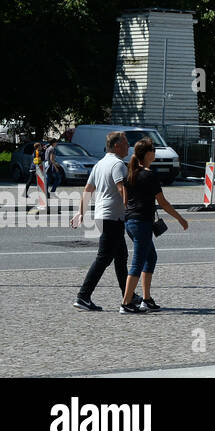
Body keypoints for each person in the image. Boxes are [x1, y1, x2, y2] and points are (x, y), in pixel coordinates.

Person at [119, 137, 189, 313]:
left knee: (150, 258)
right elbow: (163, 202)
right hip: (141, 223)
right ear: (148, 154)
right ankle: (126, 303)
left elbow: (126, 200)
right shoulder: (149, 175)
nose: (155, 153)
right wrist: (180, 218)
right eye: (153, 150)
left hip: (131, 221)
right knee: (137, 263)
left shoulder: (131, 173)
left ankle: (146, 299)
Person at [71, 132, 131, 311]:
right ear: (117, 146)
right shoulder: (118, 165)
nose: (129, 147)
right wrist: (132, 208)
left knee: (121, 257)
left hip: (103, 216)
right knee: (104, 258)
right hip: (112, 217)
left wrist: (81, 212)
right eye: (126, 143)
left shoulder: (99, 164)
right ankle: (83, 296)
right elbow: (122, 190)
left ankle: (128, 295)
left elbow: (87, 190)